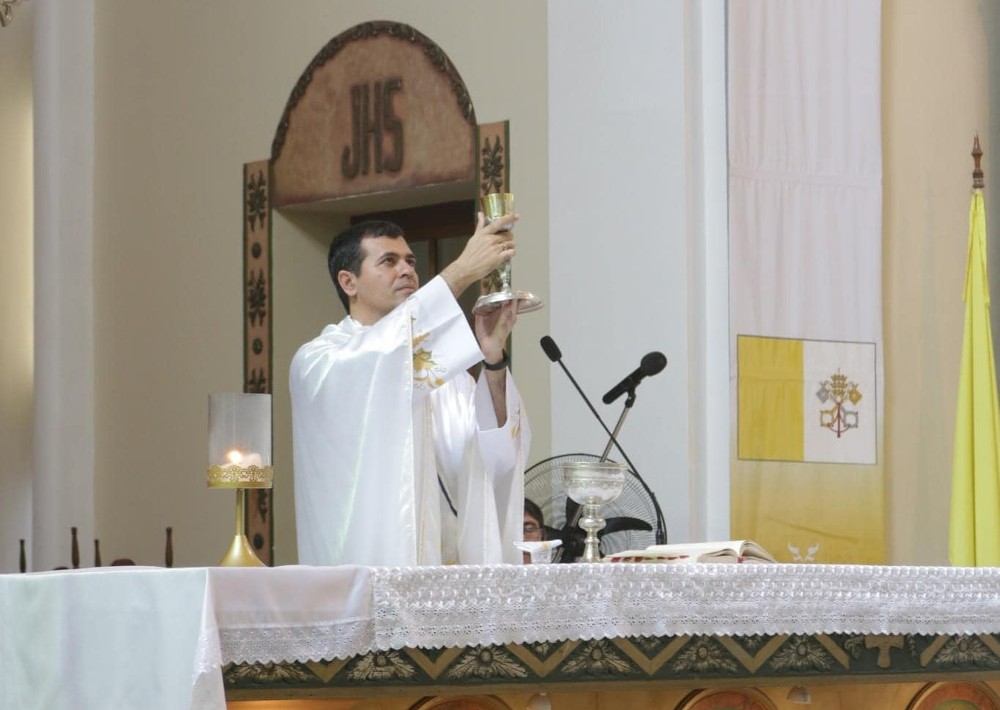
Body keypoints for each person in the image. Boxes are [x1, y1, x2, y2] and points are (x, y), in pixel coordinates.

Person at [290, 215, 531, 567]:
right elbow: (383, 361)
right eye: (388, 261)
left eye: (410, 261)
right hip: (369, 570)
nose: (406, 270)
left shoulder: (443, 374)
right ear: (348, 282)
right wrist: (462, 270)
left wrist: (492, 361)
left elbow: (496, 454)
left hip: (452, 576)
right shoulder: (319, 362)